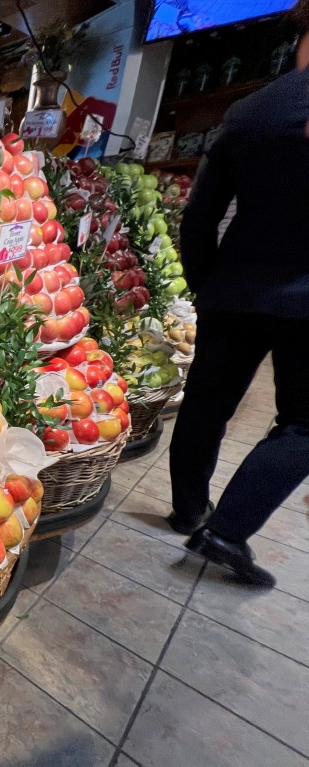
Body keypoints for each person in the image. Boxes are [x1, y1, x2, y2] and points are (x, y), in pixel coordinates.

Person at [167, 2, 309, 586]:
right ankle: (226, 531)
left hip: (234, 285)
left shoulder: (250, 111)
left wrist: (205, 283)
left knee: (206, 403)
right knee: (303, 424)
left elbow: (199, 215)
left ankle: (188, 509)